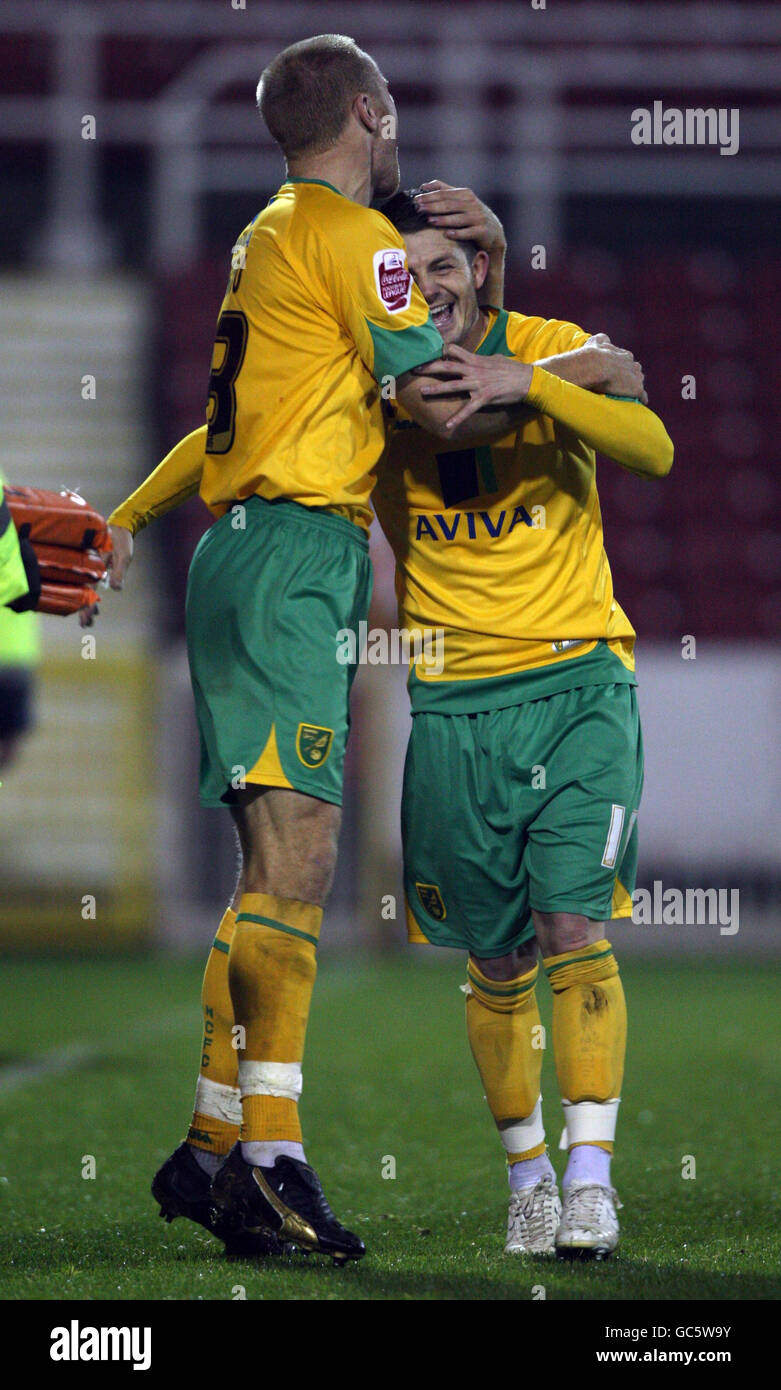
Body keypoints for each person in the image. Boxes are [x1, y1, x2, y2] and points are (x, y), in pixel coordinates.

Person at [110, 180, 672, 1261]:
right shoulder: (380, 393)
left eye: (447, 266)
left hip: (580, 682)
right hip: (453, 704)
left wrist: (541, 376)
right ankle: (527, 1183)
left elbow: (651, 449)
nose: (427, 286)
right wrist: (132, 511)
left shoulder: (543, 340)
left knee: (573, 926)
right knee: (496, 958)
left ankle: (590, 1175)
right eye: (406, 275)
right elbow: (228, 440)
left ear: (482, 272)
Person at [108, 37, 532, 1264]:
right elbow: (443, 400)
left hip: (247, 550)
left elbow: (223, 424)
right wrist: (560, 381)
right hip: (295, 556)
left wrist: (131, 519)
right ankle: (273, 1164)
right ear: (367, 108)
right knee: (300, 858)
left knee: (264, 871)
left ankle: (207, 1148)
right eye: (392, 109)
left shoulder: (270, 236)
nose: (399, 126)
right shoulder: (356, 248)